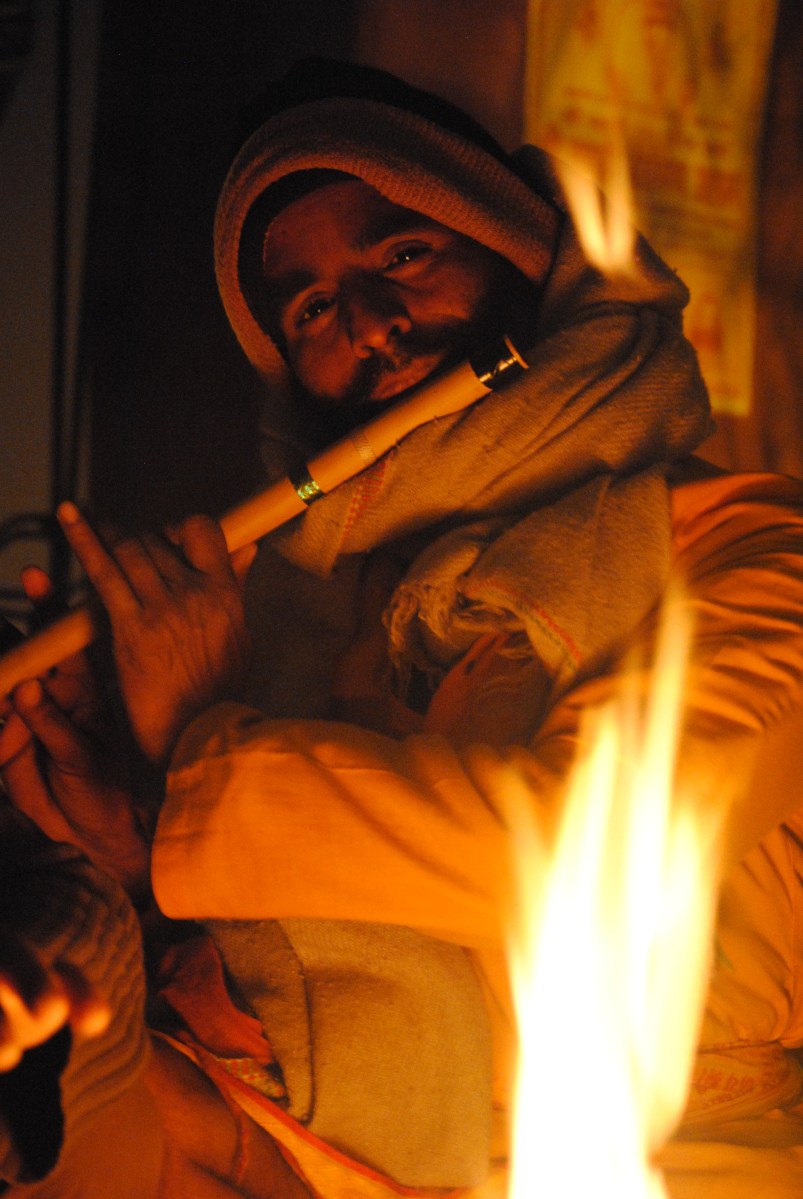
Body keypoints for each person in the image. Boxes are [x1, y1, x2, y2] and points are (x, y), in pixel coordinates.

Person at [3, 57, 803, 1197]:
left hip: (684, 1162)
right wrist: (132, 837)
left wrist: (196, 741)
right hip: (340, 1144)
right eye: (311, 309)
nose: (372, 326)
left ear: (522, 256)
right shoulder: (306, 606)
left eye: (402, 256)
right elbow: (298, 937)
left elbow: (574, 852)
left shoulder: (749, 550)